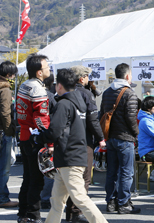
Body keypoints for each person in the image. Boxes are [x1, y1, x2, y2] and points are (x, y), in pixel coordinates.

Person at [30, 68, 108, 223]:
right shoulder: (80, 101)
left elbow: (54, 131)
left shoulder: (64, 104)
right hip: (75, 154)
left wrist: (39, 136)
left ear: (59, 85)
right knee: (57, 200)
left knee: (79, 198)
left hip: (69, 157)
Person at [66, 65, 106, 222]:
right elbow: (92, 120)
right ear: (82, 78)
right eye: (87, 77)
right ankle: (77, 212)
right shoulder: (85, 94)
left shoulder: (65, 92)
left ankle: (71, 211)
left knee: (70, 178)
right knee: (84, 178)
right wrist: (101, 138)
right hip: (84, 140)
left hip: (68, 139)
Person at [100, 63, 140, 214]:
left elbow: (102, 114)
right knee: (126, 172)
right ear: (128, 75)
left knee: (112, 171)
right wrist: (137, 133)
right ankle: (124, 204)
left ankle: (111, 202)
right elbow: (131, 118)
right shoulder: (130, 93)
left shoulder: (106, 92)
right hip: (125, 138)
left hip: (110, 137)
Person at [16, 53, 51, 223]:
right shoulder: (38, 89)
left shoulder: (24, 85)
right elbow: (41, 118)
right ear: (39, 72)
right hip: (34, 137)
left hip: (24, 135)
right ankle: (32, 215)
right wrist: (48, 139)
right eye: (47, 67)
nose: (49, 69)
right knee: (36, 180)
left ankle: (23, 212)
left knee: (28, 177)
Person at [0, 61, 18, 208]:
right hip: (2, 132)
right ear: (8, 74)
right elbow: (5, 113)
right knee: (4, 167)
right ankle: (3, 198)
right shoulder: (5, 89)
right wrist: (10, 132)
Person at [137, 96, 154, 191]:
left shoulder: (151, 119)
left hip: (153, 150)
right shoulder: (146, 121)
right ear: (149, 108)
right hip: (147, 153)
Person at [40, 73, 57, 211]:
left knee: (36, 169)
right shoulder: (50, 97)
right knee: (48, 167)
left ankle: (40, 197)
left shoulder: (29, 92)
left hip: (33, 135)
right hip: (47, 136)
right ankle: (45, 198)